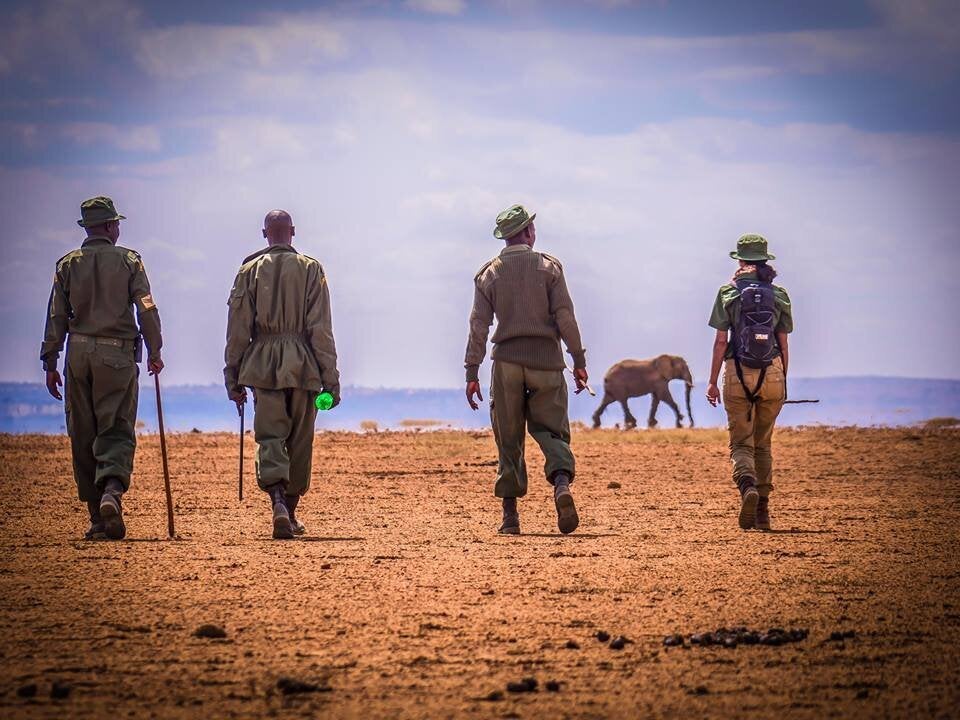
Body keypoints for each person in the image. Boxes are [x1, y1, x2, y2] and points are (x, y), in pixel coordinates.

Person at [40, 196, 164, 540]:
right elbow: (146, 308)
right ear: (111, 226)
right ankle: (112, 490)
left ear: (87, 227)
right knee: (117, 426)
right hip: (118, 356)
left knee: (82, 431)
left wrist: (50, 361)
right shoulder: (129, 261)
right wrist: (155, 349)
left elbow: (56, 316)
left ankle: (97, 517)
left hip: (77, 354)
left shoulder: (67, 265)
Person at [463, 204, 589, 535]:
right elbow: (565, 316)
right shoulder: (550, 268)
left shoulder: (488, 274)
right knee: (552, 430)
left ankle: (510, 518)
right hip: (547, 362)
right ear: (529, 232)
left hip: (506, 365)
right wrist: (579, 361)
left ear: (505, 237)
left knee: (508, 436)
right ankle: (561, 485)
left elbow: (478, 325)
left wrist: (471, 372)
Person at [224, 210, 340, 539]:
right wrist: (330, 378)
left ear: (265, 234)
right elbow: (321, 330)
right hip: (304, 366)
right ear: (293, 232)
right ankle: (289, 510)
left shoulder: (248, 271)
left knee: (270, 436)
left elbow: (237, 329)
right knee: (300, 440)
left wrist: (232, 373)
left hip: (262, 365)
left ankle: (276, 501)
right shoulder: (311, 269)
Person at [705, 234, 793, 531]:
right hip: (772, 374)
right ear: (765, 260)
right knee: (763, 444)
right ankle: (763, 513)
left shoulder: (727, 293)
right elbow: (783, 343)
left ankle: (747, 488)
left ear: (740, 261)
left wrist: (712, 382)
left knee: (741, 442)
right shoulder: (779, 294)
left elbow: (720, 342)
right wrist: (782, 380)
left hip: (736, 373)